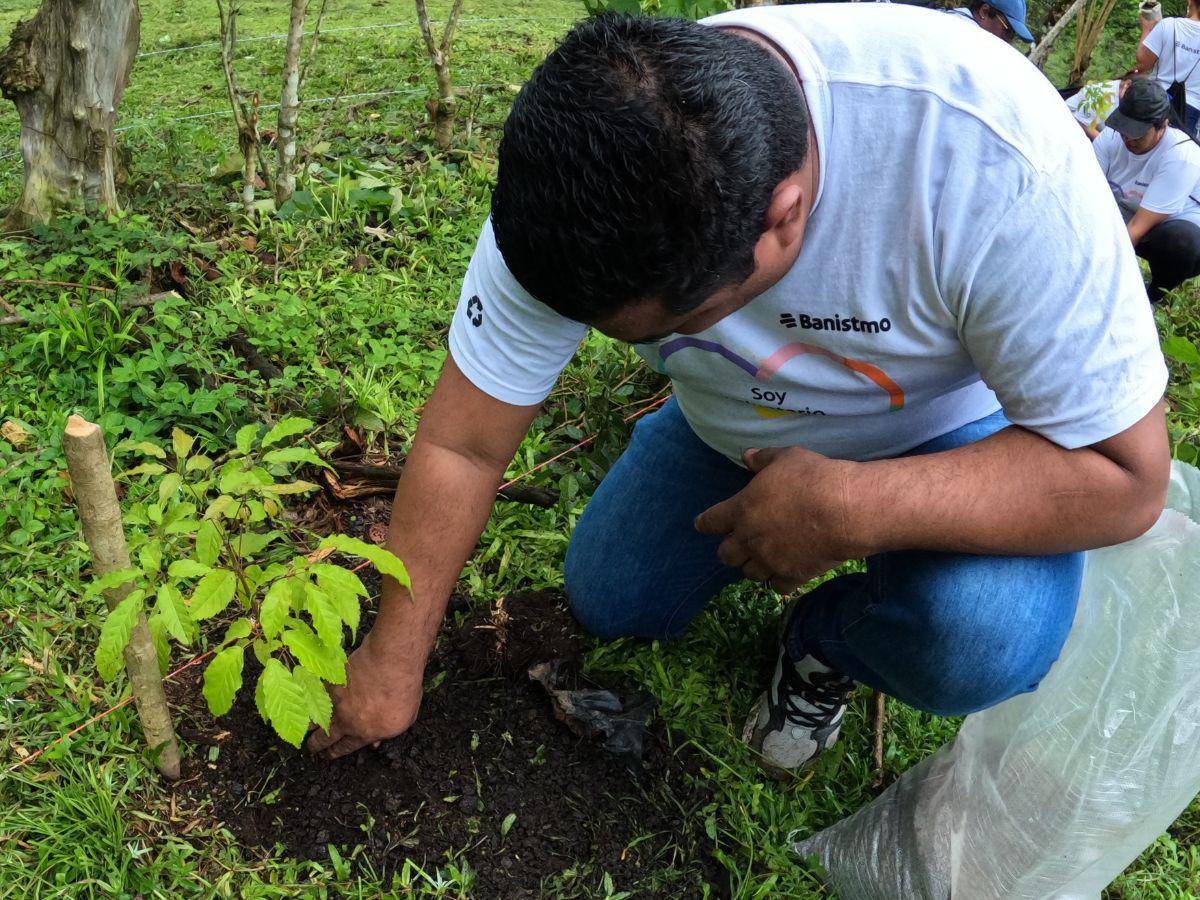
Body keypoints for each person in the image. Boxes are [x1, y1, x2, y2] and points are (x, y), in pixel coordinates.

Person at [308, 7, 1169, 775]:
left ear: (785, 215)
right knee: (613, 599)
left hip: (952, 432)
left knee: (980, 637)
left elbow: (1127, 478)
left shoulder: (992, 155)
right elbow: (463, 443)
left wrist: (856, 508)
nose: (638, 347)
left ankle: (825, 644)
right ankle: (694, 452)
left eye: (660, 330)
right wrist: (392, 660)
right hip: (734, 430)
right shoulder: (571, 184)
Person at [1095, 78, 1200, 301]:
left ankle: (1150, 297)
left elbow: (1137, 227)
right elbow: (1086, 195)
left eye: (1138, 133)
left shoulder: (1182, 156)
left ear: (1162, 126)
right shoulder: (1110, 137)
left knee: (1180, 242)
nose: (1128, 138)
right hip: (1128, 215)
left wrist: (1101, 277)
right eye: (1125, 129)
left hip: (1171, 230)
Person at [1136, 0, 1200, 136]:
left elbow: (1143, 65)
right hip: (1191, 110)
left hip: (1156, 99)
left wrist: (1147, 29)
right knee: (1177, 153)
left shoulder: (1169, 25)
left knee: (1140, 147)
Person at [1065, 70, 1138, 140]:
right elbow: (1082, 122)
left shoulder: (1118, 90)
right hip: (1069, 121)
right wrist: (1105, 145)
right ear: (1127, 84)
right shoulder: (1105, 94)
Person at [946, 0, 1033, 44]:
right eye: (1008, 32)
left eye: (1013, 36)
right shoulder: (960, 34)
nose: (1008, 42)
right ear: (984, 12)